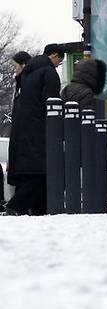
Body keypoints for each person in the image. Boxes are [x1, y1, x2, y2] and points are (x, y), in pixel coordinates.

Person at [6, 44, 64, 216]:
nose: (59, 64)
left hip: (23, 130)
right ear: (53, 55)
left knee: (35, 173)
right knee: (40, 174)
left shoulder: (27, 74)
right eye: (59, 60)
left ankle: (40, 209)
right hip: (40, 130)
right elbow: (51, 104)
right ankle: (16, 206)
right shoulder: (48, 72)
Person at [2, 51, 32, 212]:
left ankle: (15, 206)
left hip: (23, 142)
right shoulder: (21, 84)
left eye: (15, 66)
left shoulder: (25, 85)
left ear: (23, 65)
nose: (14, 70)